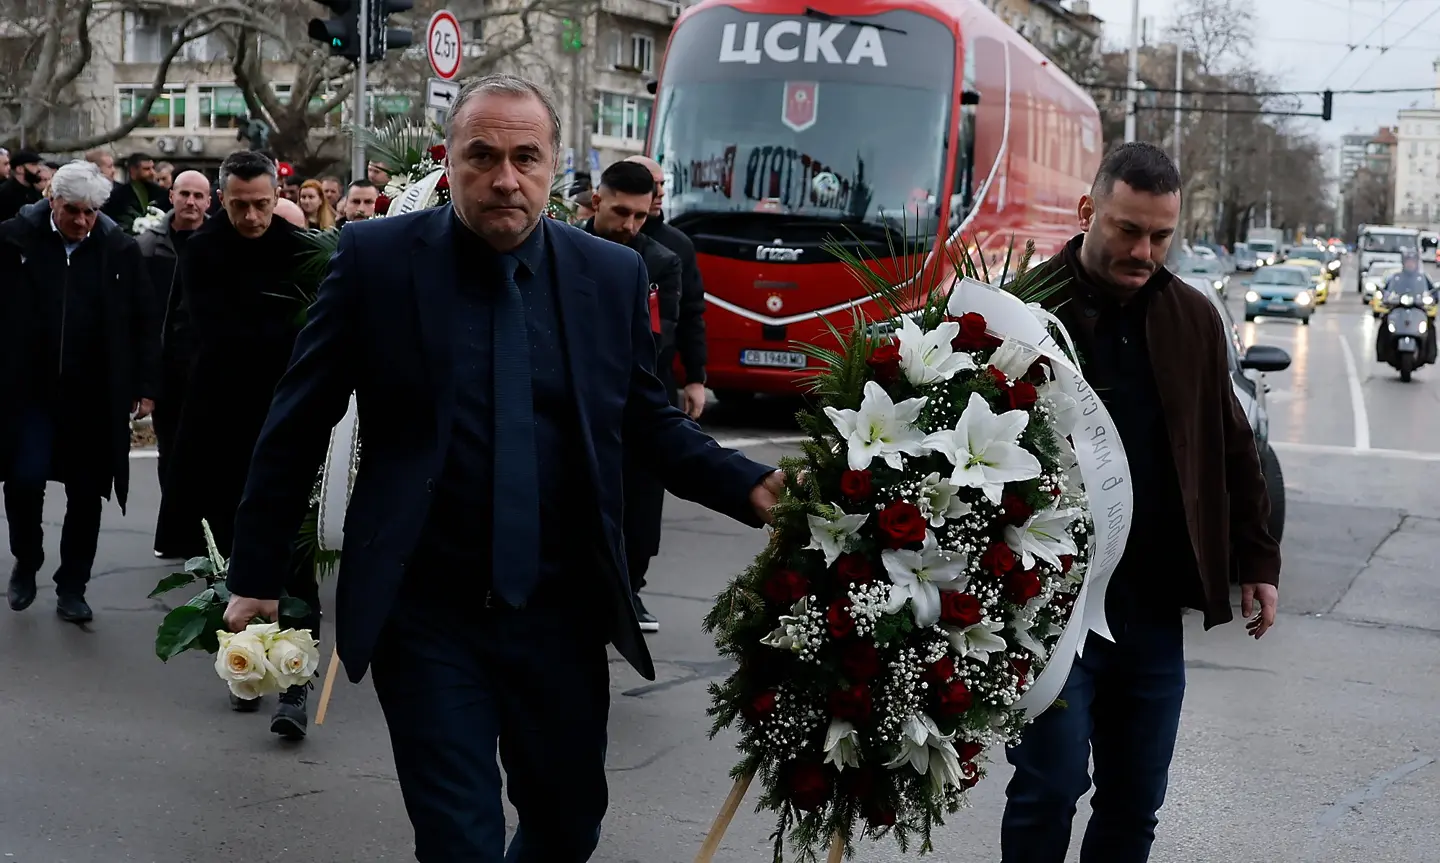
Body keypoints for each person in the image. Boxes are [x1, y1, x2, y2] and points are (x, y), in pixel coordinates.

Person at [221, 74, 784, 861]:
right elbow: (298, 417)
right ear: (449, 161)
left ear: (556, 168)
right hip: (427, 610)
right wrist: (255, 574)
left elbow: (643, 418)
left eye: (526, 157)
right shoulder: (377, 261)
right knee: (460, 840)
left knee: (567, 824)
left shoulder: (608, 274)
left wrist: (749, 483)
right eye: (481, 156)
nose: (505, 178)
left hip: (561, 612)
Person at [1002, 142, 1281, 862]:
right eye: (1128, 230)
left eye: (1161, 236)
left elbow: (1232, 444)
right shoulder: (1024, 310)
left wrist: (1258, 561)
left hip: (1153, 611)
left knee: (1134, 804)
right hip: (1050, 608)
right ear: (1087, 210)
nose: (1144, 252)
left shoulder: (1193, 317)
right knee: (1048, 787)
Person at [159, 151, 321, 737]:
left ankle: (296, 684)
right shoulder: (202, 251)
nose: (251, 217)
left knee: (294, 557)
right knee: (231, 554)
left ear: (276, 195)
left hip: (289, 416)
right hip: (222, 421)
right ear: (222, 200)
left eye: (260, 204)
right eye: (238, 206)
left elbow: (314, 329)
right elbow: (213, 330)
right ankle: (246, 665)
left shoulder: (300, 249)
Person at [0, 161, 159, 623]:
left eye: (91, 212)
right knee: (23, 480)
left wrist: (145, 385)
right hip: (29, 391)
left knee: (87, 494)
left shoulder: (118, 248)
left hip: (93, 394)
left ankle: (73, 585)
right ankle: (27, 559)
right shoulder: (14, 240)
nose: (82, 221)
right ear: (52, 200)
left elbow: (143, 320)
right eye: (72, 210)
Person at [583, 161, 684, 633]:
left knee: (639, 504)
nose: (629, 225)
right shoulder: (561, 245)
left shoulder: (660, 261)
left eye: (640, 216)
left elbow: (658, 338)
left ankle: (631, 590)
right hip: (574, 397)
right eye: (621, 212)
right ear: (597, 200)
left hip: (635, 399)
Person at [137, 171, 213, 559]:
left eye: (199, 195)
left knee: (208, 452)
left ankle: (208, 532)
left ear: (210, 201)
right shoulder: (148, 245)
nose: (191, 201)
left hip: (209, 365)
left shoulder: (218, 242)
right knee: (171, 451)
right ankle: (175, 530)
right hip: (166, 366)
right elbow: (138, 315)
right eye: (184, 193)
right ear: (171, 196)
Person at [625, 155, 708, 420]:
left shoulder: (678, 245)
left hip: (658, 377)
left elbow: (691, 314)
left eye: (662, 184)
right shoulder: (598, 236)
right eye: (653, 184)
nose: (660, 192)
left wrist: (695, 378)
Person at [102, 152, 170, 221]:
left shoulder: (161, 194)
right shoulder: (118, 196)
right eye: (146, 169)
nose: (152, 173)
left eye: (153, 168)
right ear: (133, 170)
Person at [0, 151, 45, 220]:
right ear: (20, 169)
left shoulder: (36, 190)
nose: (39, 168)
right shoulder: (5, 192)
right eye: (34, 165)